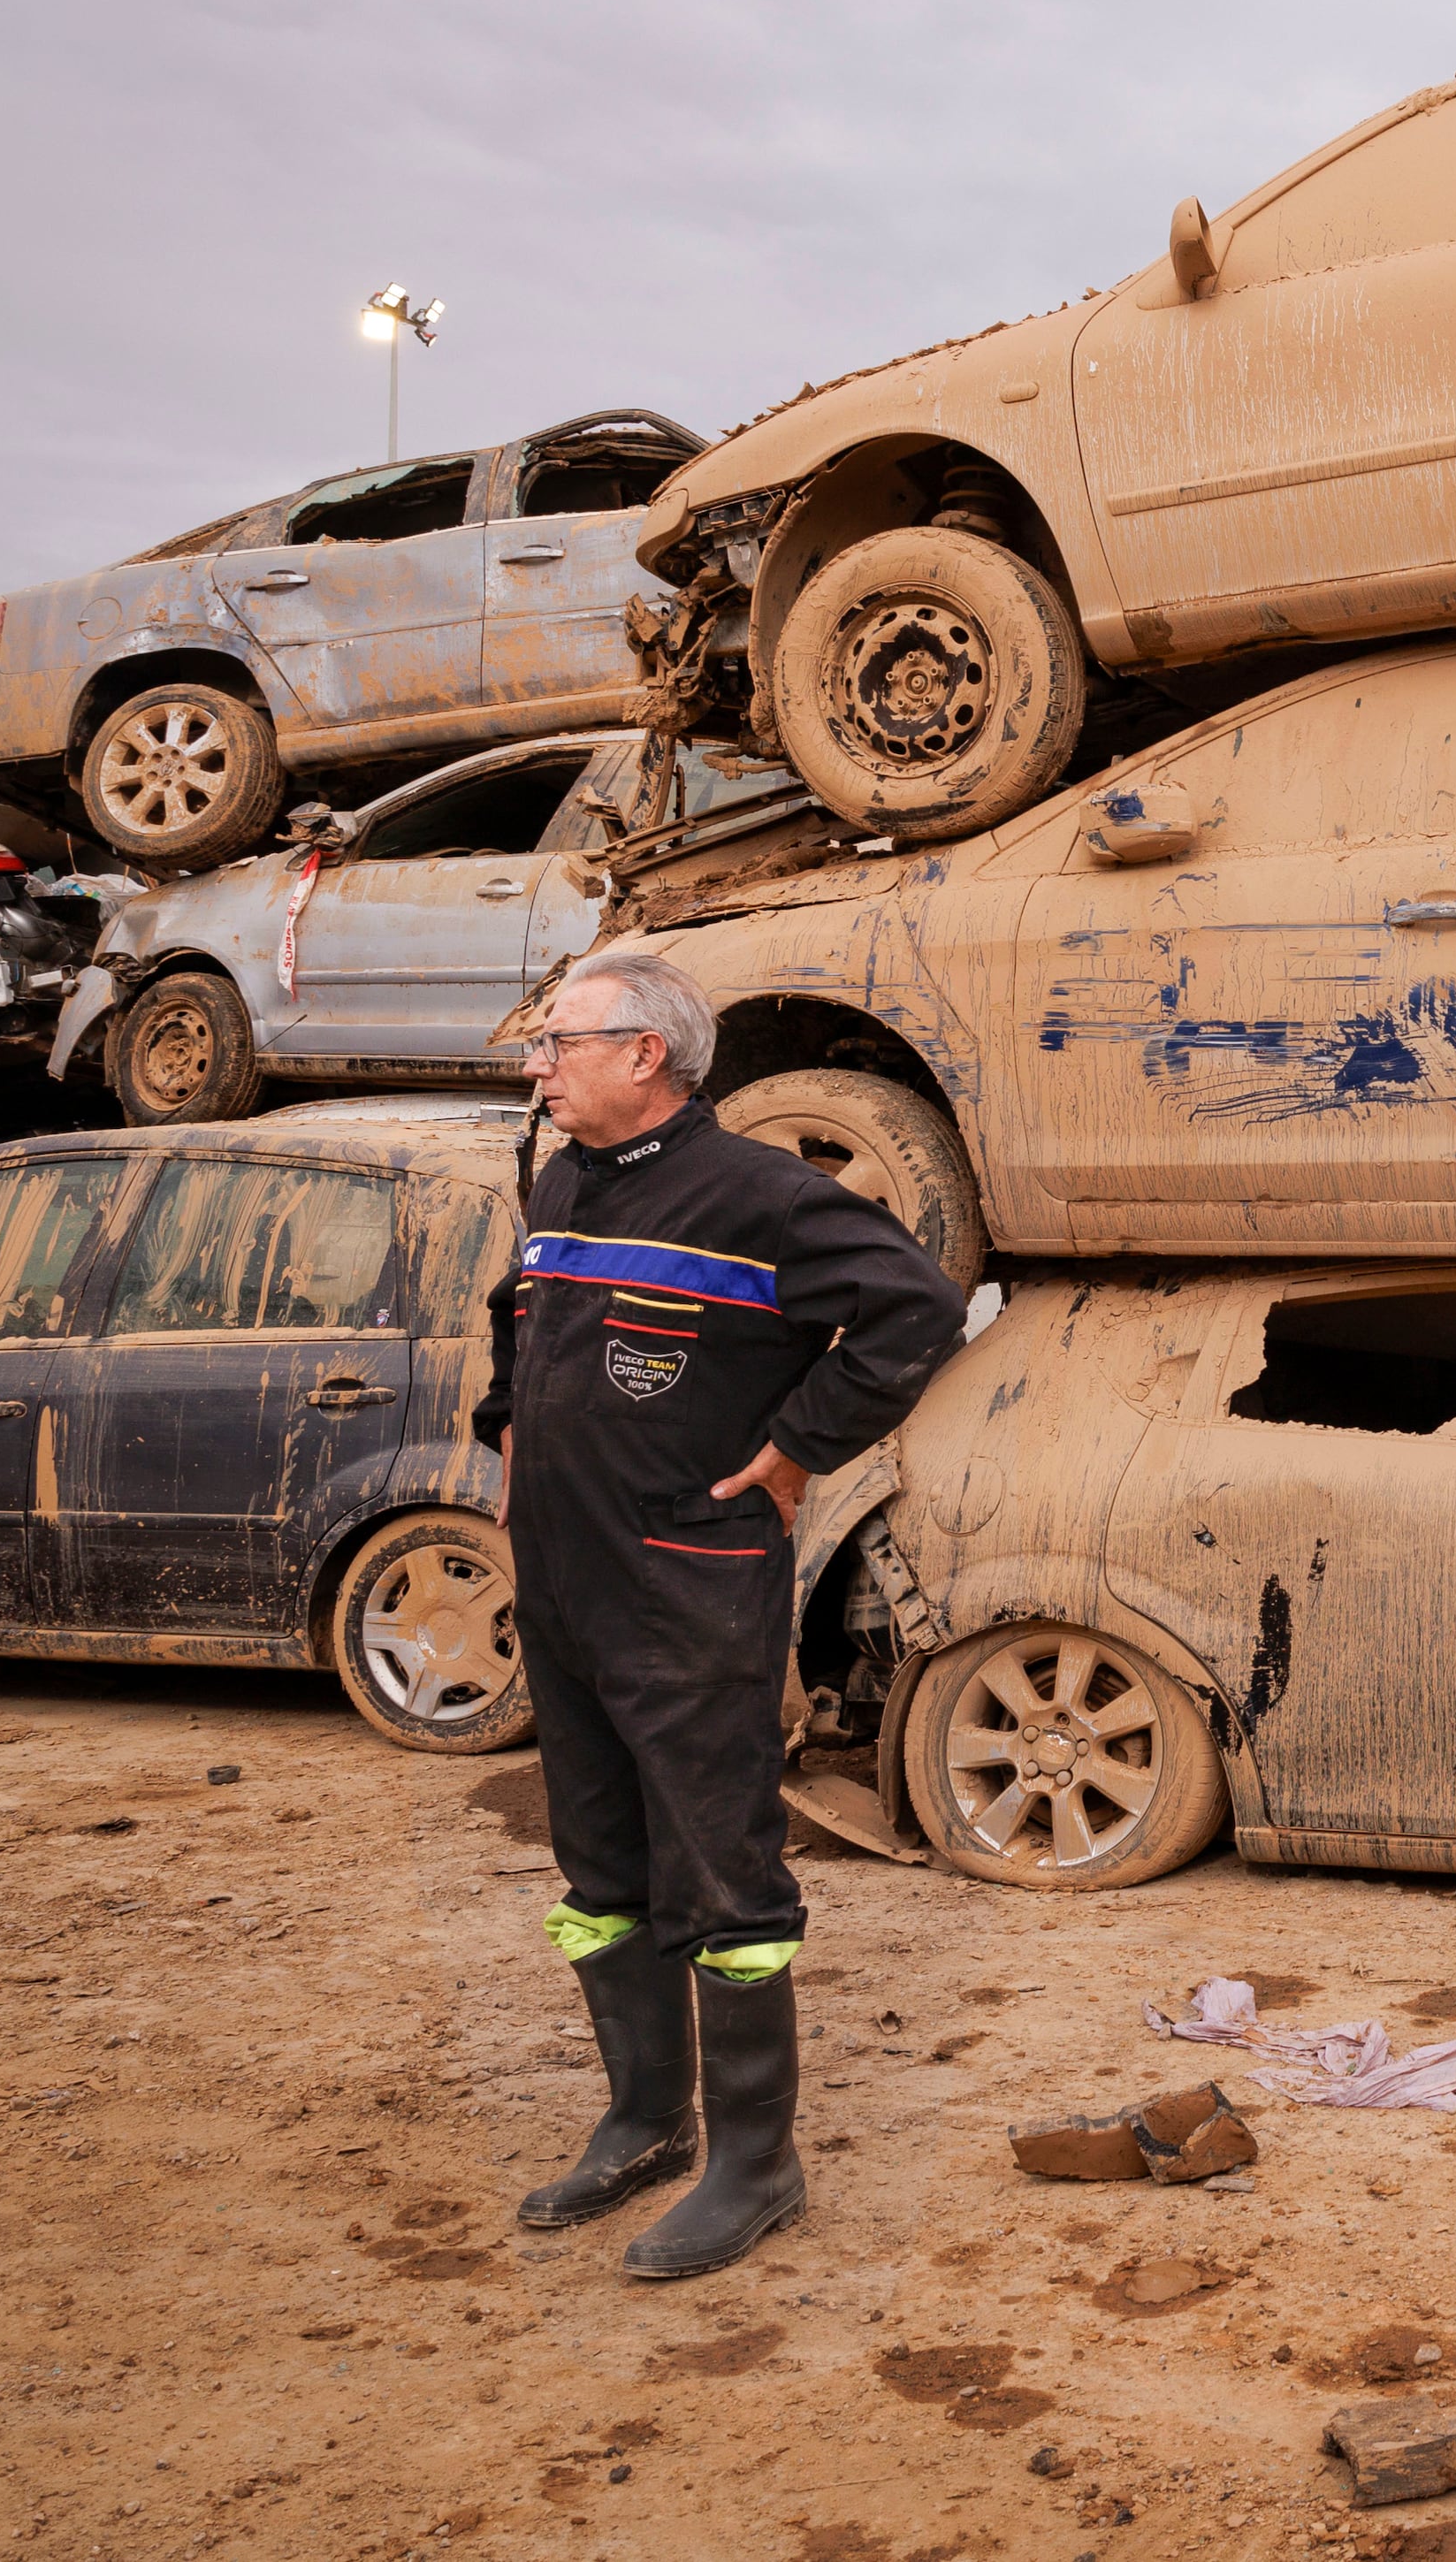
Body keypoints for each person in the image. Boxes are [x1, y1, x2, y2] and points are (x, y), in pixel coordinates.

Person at [475, 953, 966, 2279]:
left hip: (686, 1589)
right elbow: (516, 1318)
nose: (538, 1063)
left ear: (646, 1054)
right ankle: (643, 2116)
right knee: (600, 1872)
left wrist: (802, 1444)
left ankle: (755, 2161)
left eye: (558, 1041)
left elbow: (914, 1309)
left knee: (721, 1873)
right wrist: (510, 1427)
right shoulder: (563, 1177)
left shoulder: (757, 1194)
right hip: (565, 1585)